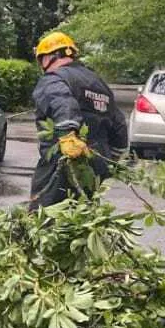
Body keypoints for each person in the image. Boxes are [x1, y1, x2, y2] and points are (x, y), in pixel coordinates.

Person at [29, 31, 128, 210]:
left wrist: (67, 133)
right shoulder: (98, 82)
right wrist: (112, 157)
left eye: (42, 59)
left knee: (45, 216)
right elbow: (119, 122)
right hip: (96, 165)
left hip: (64, 160)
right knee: (81, 214)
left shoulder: (54, 79)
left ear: (51, 57)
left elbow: (61, 100)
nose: (42, 65)